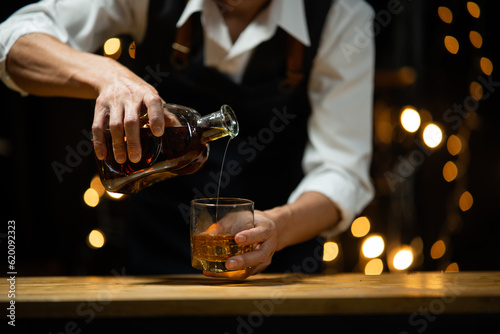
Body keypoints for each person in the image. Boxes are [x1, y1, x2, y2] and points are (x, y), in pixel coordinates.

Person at [0, 0, 375, 278]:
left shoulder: (340, 15)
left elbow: (341, 171)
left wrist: (276, 227)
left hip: (277, 275)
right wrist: (108, 75)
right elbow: (11, 40)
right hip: (153, 268)